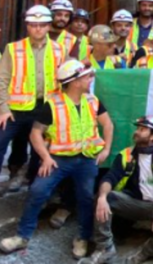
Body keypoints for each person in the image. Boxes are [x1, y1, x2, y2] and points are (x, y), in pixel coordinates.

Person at [0, 60, 113, 258]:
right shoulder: (52, 105)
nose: (90, 79)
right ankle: (22, 236)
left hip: (86, 160)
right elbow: (35, 134)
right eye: (87, 76)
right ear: (75, 81)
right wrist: (45, 157)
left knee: (86, 197)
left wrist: (106, 150)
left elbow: (108, 125)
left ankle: (83, 237)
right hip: (58, 160)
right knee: (38, 190)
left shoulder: (93, 100)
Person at [81, 116, 153, 264]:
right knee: (104, 196)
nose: (137, 132)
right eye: (137, 128)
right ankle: (105, 249)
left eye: (142, 129)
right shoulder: (126, 155)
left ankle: (144, 254)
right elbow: (110, 178)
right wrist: (102, 197)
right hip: (132, 203)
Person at [0, 5, 66, 194]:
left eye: (42, 25)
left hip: (45, 108)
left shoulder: (59, 49)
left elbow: (66, 79)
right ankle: (15, 174)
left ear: (48, 26)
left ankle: (32, 184)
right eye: (33, 25)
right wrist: (3, 109)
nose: (38, 29)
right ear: (27, 27)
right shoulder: (13, 49)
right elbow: (2, 79)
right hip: (14, 110)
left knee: (40, 149)